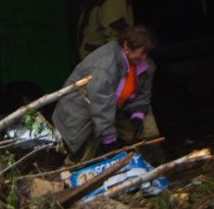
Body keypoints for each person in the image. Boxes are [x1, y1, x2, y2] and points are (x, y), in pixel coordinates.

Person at [52, 24, 159, 159]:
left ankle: (151, 166)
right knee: (85, 154)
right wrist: (109, 136)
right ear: (126, 46)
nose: (144, 57)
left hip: (114, 107)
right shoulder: (104, 68)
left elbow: (143, 92)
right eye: (142, 52)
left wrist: (138, 112)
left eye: (147, 53)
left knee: (149, 133)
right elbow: (100, 107)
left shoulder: (144, 65)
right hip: (81, 112)